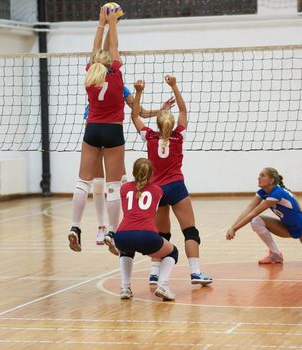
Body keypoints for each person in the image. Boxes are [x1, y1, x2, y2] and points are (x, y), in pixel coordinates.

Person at [130, 77, 213, 286]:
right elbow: (183, 111)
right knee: (190, 231)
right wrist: (174, 85)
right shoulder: (179, 136)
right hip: (176, 187)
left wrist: (139, 92)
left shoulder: (149, 137)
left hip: (156, 189)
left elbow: (134, 116)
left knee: (161, 234)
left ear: (157, 123)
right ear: (173, 123)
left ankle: (154, 274)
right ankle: (195, 272)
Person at [84, 84, 174, 246]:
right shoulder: (94, 81)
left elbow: (140, 113)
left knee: (121, 181)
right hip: (93, 132)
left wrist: (161, 111)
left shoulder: (121, 88)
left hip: (112, 134)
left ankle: (123, 224)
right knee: (97, 183)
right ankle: (101, 227)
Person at [68, 7, 125, 252]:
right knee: (113, 186)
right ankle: (112, 232)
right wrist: (114, 24)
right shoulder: (116, 74)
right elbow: (113, 48)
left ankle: (75, 227)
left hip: (92, 129)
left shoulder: (90, 75)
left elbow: (97, 51)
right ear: (111, 62)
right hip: (113, 131)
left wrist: (101, 23)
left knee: (83, 182)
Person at [114, 158, 178, 301]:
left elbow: (132, 189)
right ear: (151, 174)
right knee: (173, 251)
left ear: (133, 172)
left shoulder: (123, 189)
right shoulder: (158, 191)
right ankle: (162, 285)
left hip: (121, 235)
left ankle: (125, 287)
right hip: (146, 235)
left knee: (126, 251)